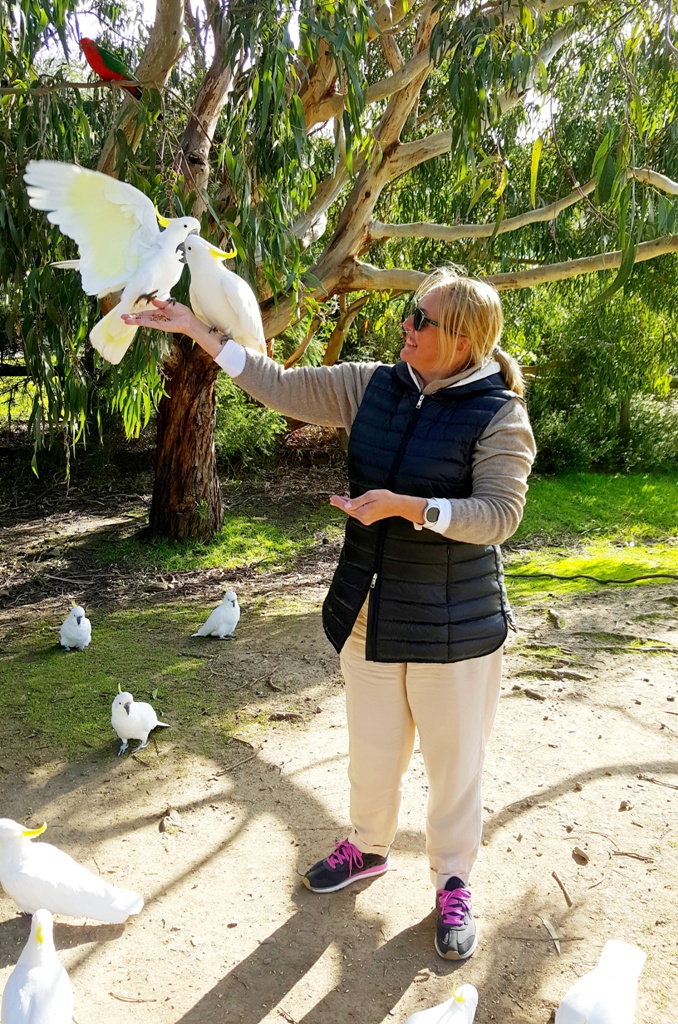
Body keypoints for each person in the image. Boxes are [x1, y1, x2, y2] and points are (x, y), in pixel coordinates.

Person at [122, 266, 536, 961]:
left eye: (420, 319)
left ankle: (455, 880)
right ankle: (368, 849)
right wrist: (198, 331)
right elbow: (280, 385)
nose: (405, 326)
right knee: (373, 757)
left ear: (462, 340)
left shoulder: (500, 414)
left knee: (455, 766)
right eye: (410, 313)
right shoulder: (372, 384)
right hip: (370, 608)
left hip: (455, 627)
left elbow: (500, 515)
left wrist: (409, 507)